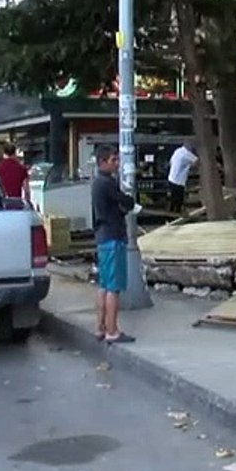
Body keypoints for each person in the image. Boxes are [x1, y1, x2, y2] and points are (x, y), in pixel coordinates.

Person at [91, 145, 137, 344]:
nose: (117, 164)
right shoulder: (107, 183)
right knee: (113, 287)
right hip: (113, 236)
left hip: (102, 237)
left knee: (103, 285)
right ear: (102, 162)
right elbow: (126, 201)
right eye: (113, 160)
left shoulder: (97, 183)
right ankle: (112, 330)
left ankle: (101, 327)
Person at [166, 141, 197, 214]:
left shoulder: (177, 151)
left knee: (173, 199)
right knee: (178, 200)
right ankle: (176, 215)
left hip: (171, 178)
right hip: (178, 181)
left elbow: (170, 162)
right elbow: (198, 162)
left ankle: (171, 214)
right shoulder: (187, 154)